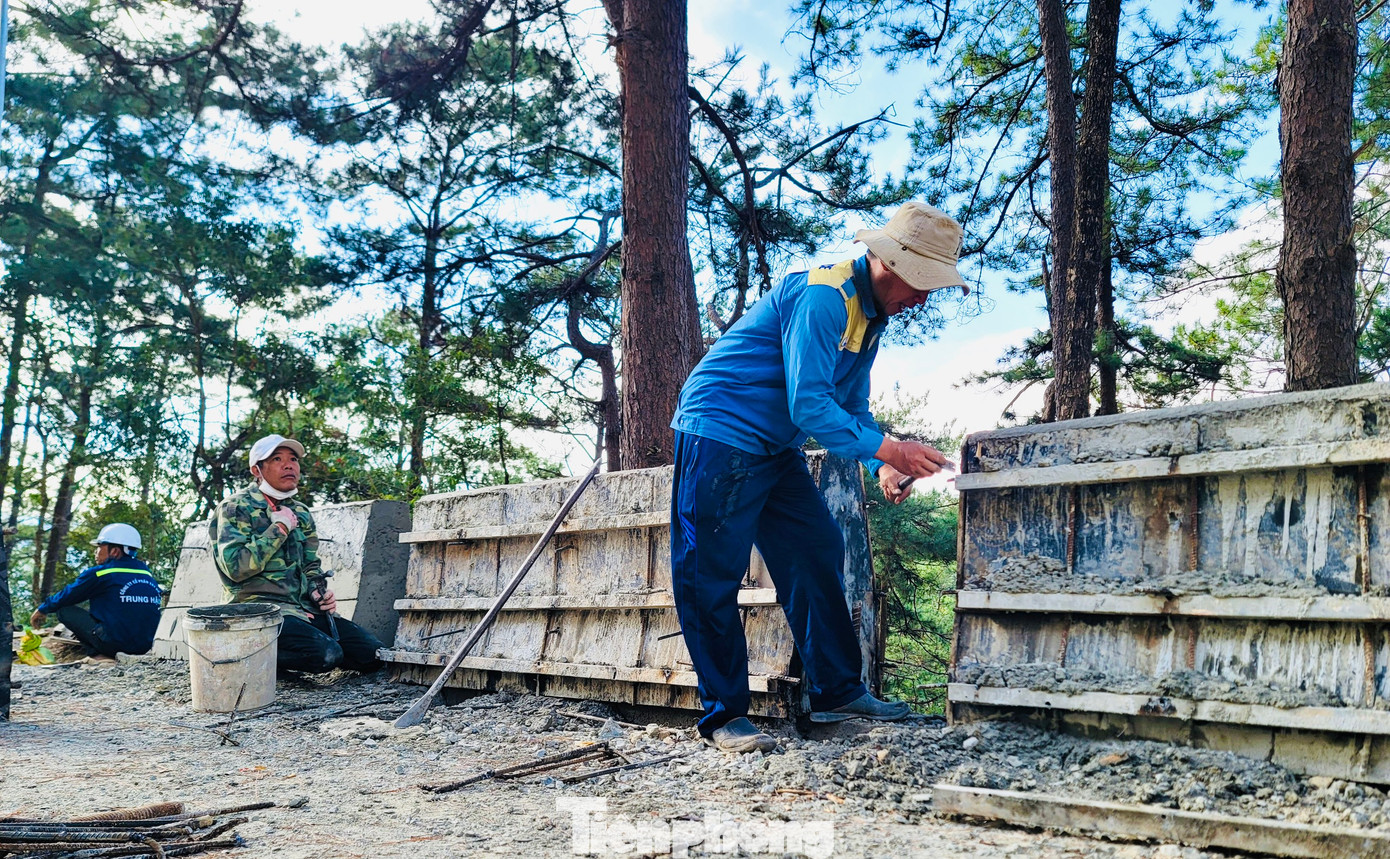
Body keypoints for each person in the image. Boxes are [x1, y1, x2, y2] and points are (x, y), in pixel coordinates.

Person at [669, 201, 965, 753]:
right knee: (709, 571)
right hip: (720, 428)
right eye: (922, 284)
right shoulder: (824, 296)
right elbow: (809, 405)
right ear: (891, 265)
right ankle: (723, 716)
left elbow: (850, 405)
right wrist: (892, 449)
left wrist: (881, 463)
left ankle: (837, 691)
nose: (923, 299)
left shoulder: (869, 318)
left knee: (815, 547)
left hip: (772, 444)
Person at [209, 434, 383, 675]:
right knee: (325, 655)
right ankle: (240, 654)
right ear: (257, 470)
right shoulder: (235, 507)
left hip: (301, 610)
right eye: (277, 459)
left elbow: (310, 565)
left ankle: (295, 647)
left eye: (293, 459)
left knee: (372, 654)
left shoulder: (300, 512)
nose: (289, 465)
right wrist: (278, 529)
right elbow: (235, 568)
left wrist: (317, 591)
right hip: (257, 611)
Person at [30, 523, 162, 660]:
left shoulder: (101, 574)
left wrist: (43, 609)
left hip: (114, 645)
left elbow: (68, 595)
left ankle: (98, 655)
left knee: (64, 609)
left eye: (100, 547)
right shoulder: (147, 574)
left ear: (115, 551)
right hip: (146, 645)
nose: (96, 552)